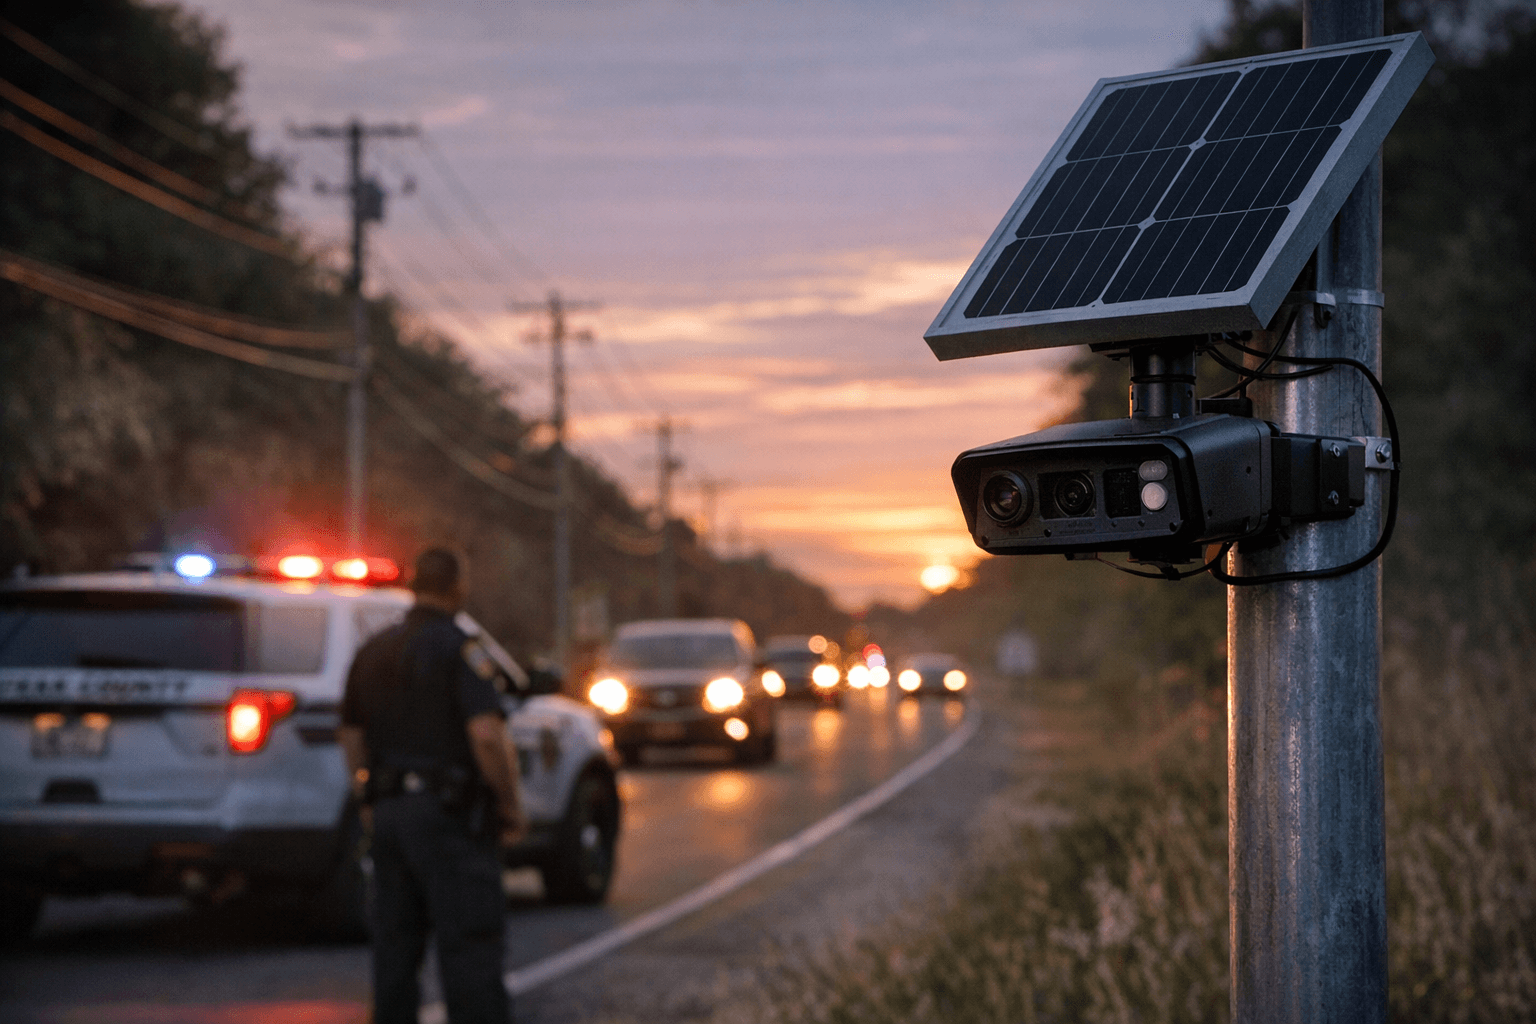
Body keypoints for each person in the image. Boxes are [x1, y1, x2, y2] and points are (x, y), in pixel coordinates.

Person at [339, 548, 525, 1024]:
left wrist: (366, 795)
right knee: (470, 951)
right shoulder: (462, 648)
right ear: (458, 587)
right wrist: (509, 805)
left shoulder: (373, 649)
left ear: (413, 585)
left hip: (389, 817)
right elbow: (486, 735)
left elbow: (352, 734)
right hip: (450, 820)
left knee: (395, 953)